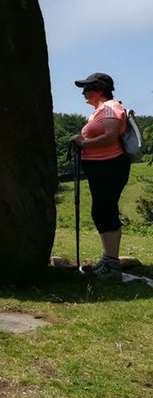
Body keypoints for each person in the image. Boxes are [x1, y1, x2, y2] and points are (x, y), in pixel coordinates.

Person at [70, 72, 131, 281]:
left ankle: (111, 264)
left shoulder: (110, 107)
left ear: (99, 90)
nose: (83, 94)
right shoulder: (100, 111)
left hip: (110, 166)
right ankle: (109, 260)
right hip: (103, 167)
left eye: (86, 89)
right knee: (103, 210)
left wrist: (83, 143)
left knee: (104, 210)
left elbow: (110, 136)